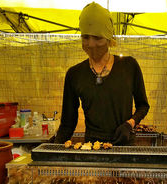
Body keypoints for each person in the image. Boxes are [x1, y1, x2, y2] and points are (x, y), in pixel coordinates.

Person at [54, 2, 149, 146]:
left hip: (124, 146)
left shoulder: (129, 66)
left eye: (97, 38)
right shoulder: (75, 74)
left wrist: (129, 124)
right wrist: (53, 147)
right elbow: (68, 123)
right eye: (86, 37)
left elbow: (143, 106)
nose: (91, 44)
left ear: (109, 38)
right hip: (93, 149)